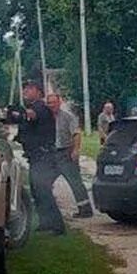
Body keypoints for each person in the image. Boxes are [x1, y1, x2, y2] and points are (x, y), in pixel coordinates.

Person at [2, 81, 65, 234]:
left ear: (38, 92)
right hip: (36, 156)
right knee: (36, 191)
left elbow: (29, 116)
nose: (25, 91)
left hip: (43, 156)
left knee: (43, 190)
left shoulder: (40, 107)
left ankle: (57, 226)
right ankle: (45, 223)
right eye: (25, 88)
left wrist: (14, 114)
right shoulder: (34, 108)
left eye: (29, 88)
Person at [48, 91, 96, 219]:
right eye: (49, 103)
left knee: (75, 181)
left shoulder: (68, 117)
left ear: (59, 102)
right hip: (53, 154)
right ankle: (49, 211)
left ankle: (85, 209)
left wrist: (75, 150)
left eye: (53, 102)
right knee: (45, 181)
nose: (51, 105)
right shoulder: (47, 118)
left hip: (66, 152)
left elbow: (76, 133)